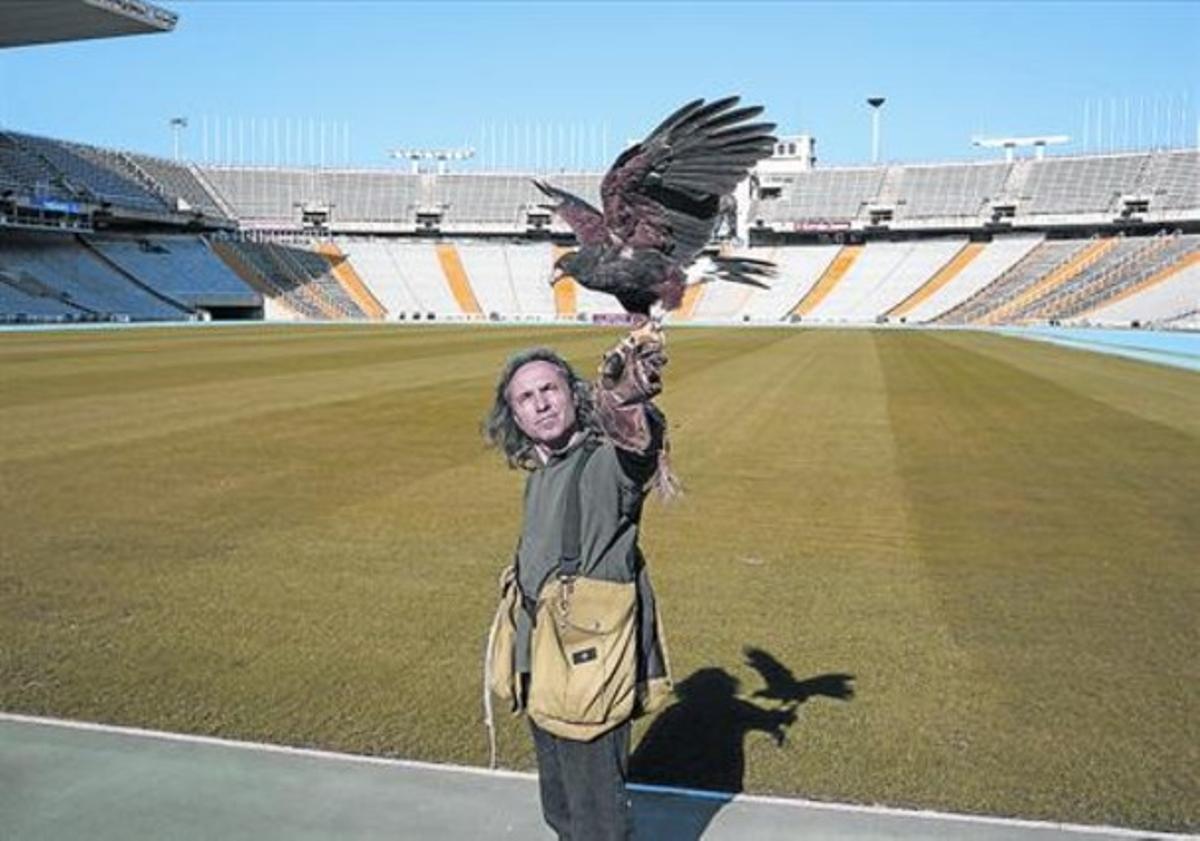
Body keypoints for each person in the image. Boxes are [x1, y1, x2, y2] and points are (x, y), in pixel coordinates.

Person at [483, 324, 675, 841]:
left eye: (549, 389)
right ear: (516, 417)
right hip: (542, 672)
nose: (541, 404)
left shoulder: (603, 464)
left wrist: (627, 398)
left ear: (574, 393)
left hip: (589, 675)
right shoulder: (541, 476)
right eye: (526, 397)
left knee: (597, 827)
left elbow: (637, 446)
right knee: (563, 815)